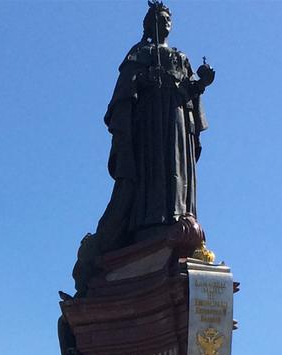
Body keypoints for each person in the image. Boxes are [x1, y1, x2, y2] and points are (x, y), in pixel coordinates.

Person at [73, 1, 215, 293]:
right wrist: (144, 84)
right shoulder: (139, 54)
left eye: (168, 20)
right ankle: (151, 223)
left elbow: (189, 94)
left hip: (176, 122)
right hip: (149, 126)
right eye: (159, 20)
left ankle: (178, 217)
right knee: (154, 174)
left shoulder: (180, 57)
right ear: (148, 24)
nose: (165, 25)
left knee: (177, 171)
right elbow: (123, 96)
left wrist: (200, 84)